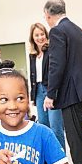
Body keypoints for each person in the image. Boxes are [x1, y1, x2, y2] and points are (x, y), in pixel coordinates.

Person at [43, 0, 82, 164]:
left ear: (48, 15)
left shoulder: (57, 31)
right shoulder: (77, 30)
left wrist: (50, 94)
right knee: (80, 131)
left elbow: (56, 65)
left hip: (71, 91)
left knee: (74, 134)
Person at [28, 22, 66, 150]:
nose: (40, 37)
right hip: (38, 91)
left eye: (42, 34)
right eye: (36, 35)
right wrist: (32, 97)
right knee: (43, 126)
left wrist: (52, 93)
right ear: (32, 38)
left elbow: (55, 72)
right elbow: (33, 76)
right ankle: (49, 159)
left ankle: (61, 161)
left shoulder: (51, 50)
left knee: (56, 127)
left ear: (46, 35)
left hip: (51, 90)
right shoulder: (32, 55)